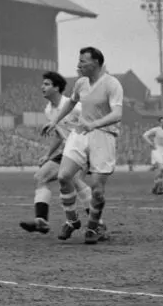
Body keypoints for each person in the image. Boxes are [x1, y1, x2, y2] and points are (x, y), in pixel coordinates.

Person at [42, 47, 124, 245]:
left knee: (97, 190)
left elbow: (117, 114)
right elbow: (71, 103)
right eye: (78, 61)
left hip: (103, 136)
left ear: (96, 63)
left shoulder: (112, 84)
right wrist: (55, 120)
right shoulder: (80, 83)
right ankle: (72, 221)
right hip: (80, 134)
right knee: (63, 176)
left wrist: (94, 124)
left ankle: (94, 228)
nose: (78, 65)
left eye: (83, 62)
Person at [20, 71, 96, 235]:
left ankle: (97, 224)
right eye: (43, 84)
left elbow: (92, 122)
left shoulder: (73, 105)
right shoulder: (49, 110)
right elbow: (59, 135)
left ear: (57, 88)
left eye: (47, 84)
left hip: (83, 149)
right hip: (67, 151)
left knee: (74, 180)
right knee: (40, 177)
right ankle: (42, 221)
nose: (42, 87)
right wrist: (48, 155)